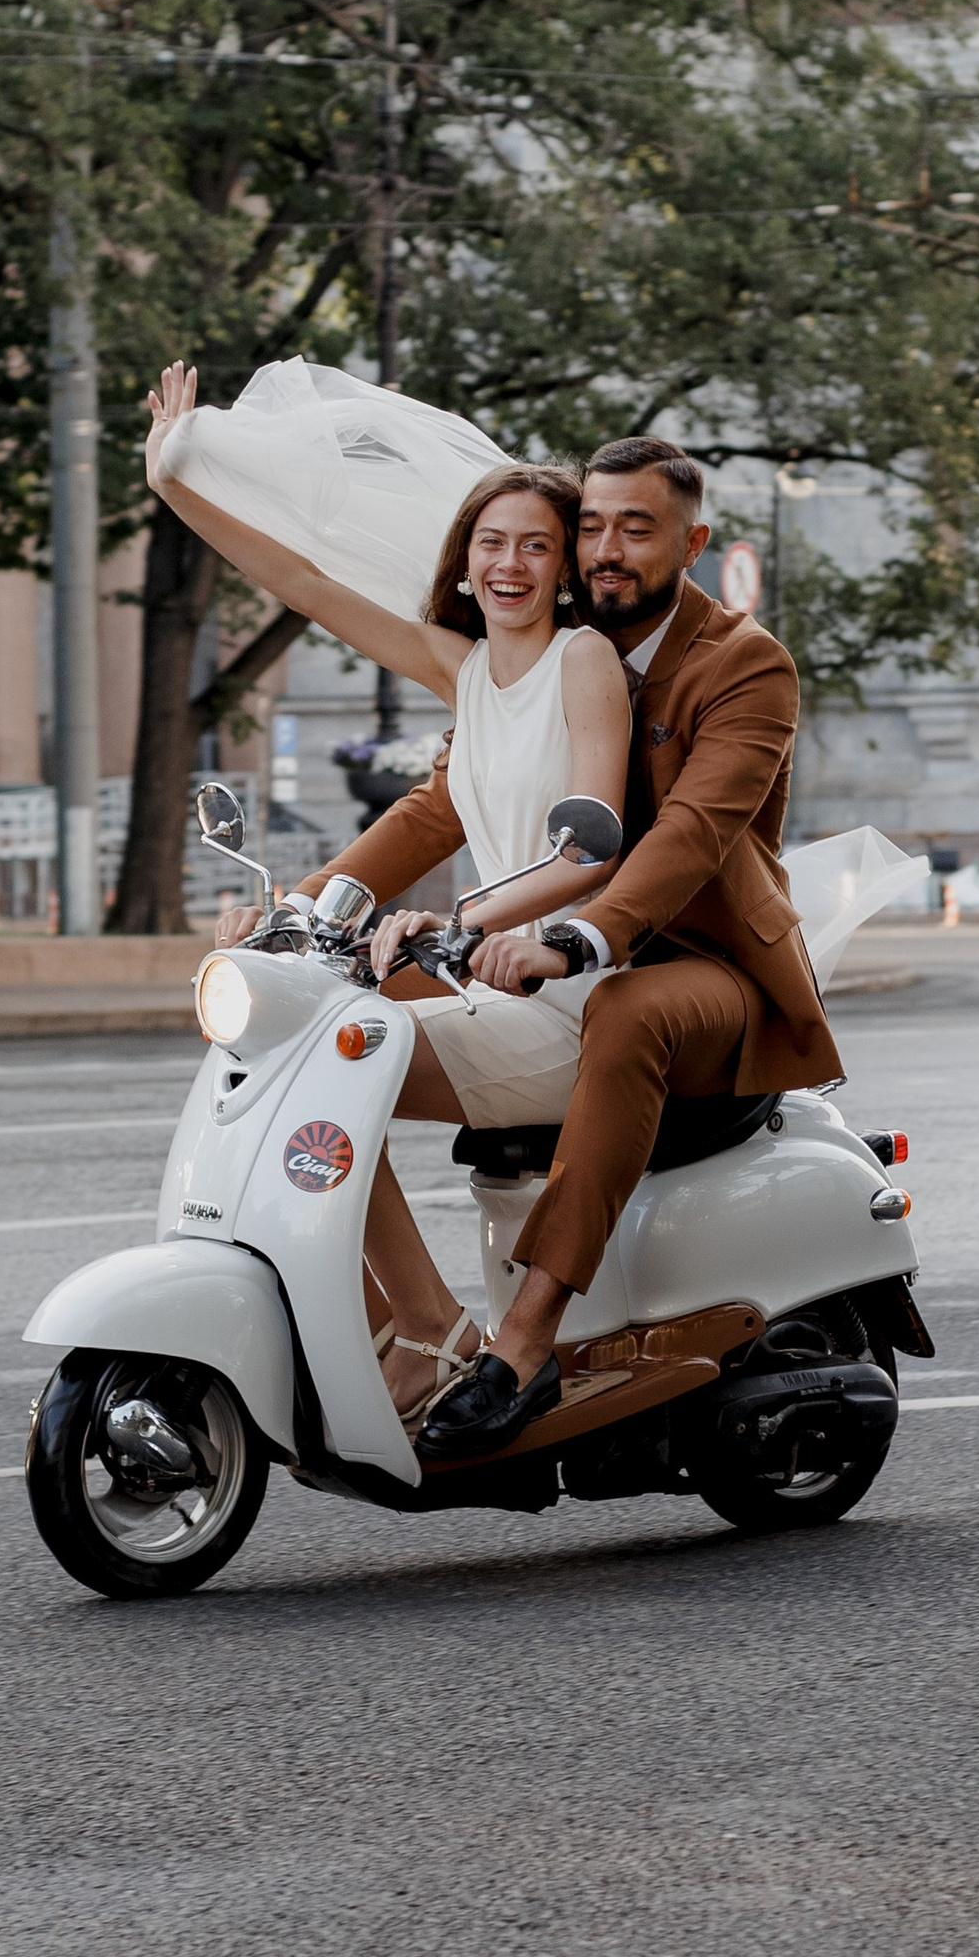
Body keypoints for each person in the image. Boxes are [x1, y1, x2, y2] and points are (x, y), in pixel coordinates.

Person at [326, 436, 843, 1463]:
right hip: (552, 952)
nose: (608, 548)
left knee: (627, 1010)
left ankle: (525, 1342)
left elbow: (690, 832)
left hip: (703, 967)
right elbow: (442, 806)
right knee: (337, 1037)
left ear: (691, 542)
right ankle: (416, 1328)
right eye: (593, 526)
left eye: (636, 529)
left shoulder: (744, 663)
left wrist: (577, 937)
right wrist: (304, 904)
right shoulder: (547, 651)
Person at [144, 362, 632, 1411]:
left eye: (534, 546)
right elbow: (307, 583)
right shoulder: (466, 671)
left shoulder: (584, 659)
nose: (508, 563)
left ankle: (430, 1327)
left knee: (325, 1070)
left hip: (562, 992)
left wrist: (458, 917)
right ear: (467, 557)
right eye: (491, 542)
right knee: (287, 1046)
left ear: (564, 569)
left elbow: (589, 850)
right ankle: (380, 1327)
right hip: (483, 980)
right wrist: (175, 480)